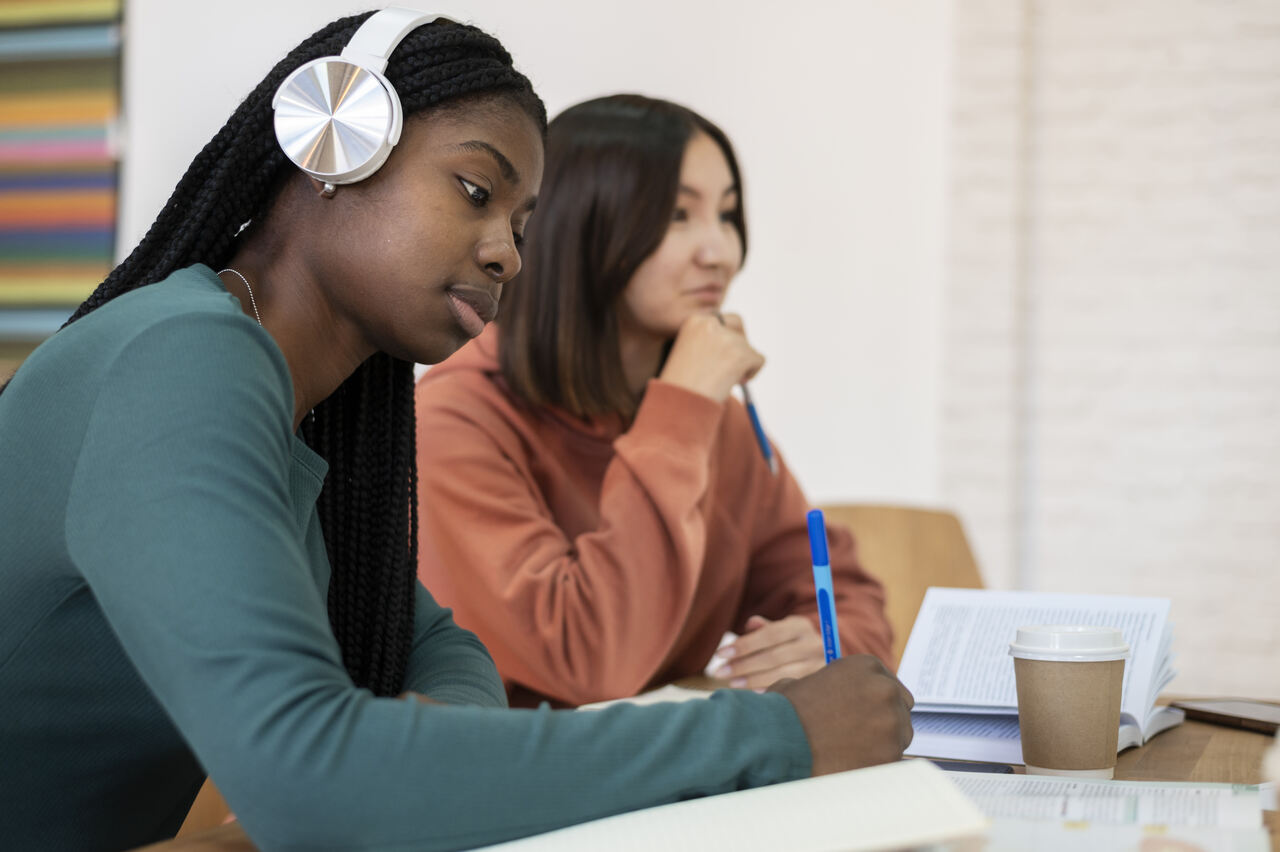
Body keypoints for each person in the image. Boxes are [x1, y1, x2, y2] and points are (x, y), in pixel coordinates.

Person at [0, 12, 912, 852]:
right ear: (333, 144)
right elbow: (307, 777)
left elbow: (440, 648)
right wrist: (774, 736)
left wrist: (416, 743)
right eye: (475, 190)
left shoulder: (303, 419)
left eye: (521, 225)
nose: (507, 253)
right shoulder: (182, 357)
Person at [414, 94, 894, 709]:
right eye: (677, 215)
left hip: (672, 776)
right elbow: (587, 662)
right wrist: (684, 411)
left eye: (727, 215)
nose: (720, 251)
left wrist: (828, 644)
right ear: (582, 224)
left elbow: (843, 593)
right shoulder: (456, 418)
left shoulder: (709, 417)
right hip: (530, 786)